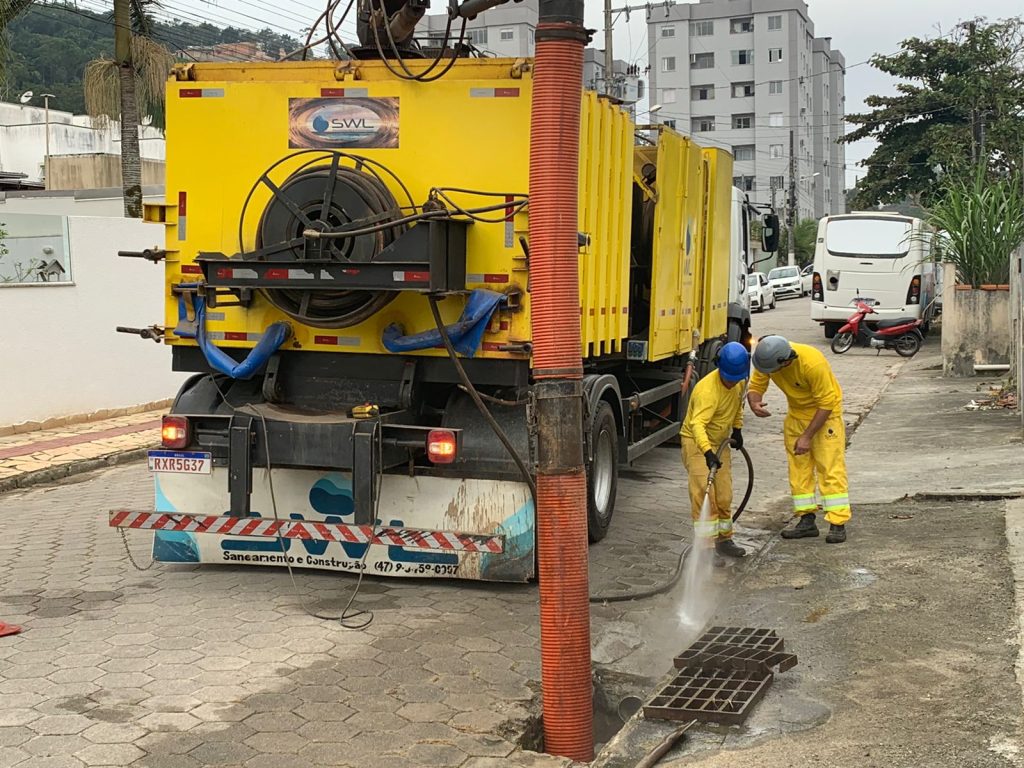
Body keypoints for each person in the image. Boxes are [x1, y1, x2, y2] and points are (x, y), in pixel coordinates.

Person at [747, 335, 849, 543]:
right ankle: (806, 520)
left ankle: (837, 523)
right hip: (796, 415)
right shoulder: (768, 358)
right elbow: (756, 385)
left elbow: (826, 404)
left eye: (773, 371)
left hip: (825, 417)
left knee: (830, 468)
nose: (769, 374)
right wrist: (754, 402)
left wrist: (807, 436)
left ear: (786, 361)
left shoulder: (812, 363)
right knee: (799, 470)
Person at [680, 341, 750, 564]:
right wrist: (708, 452)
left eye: (735, 377)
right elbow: (697, 425)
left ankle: (724, 540)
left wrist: (737, 428)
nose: (732, 382)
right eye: (729, 377)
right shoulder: (707, 391)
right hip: (697, 443)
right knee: (704, 494)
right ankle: (706, 547)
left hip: (720, 442)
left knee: (724, 495)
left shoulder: (738, 382)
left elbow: (738, 406)